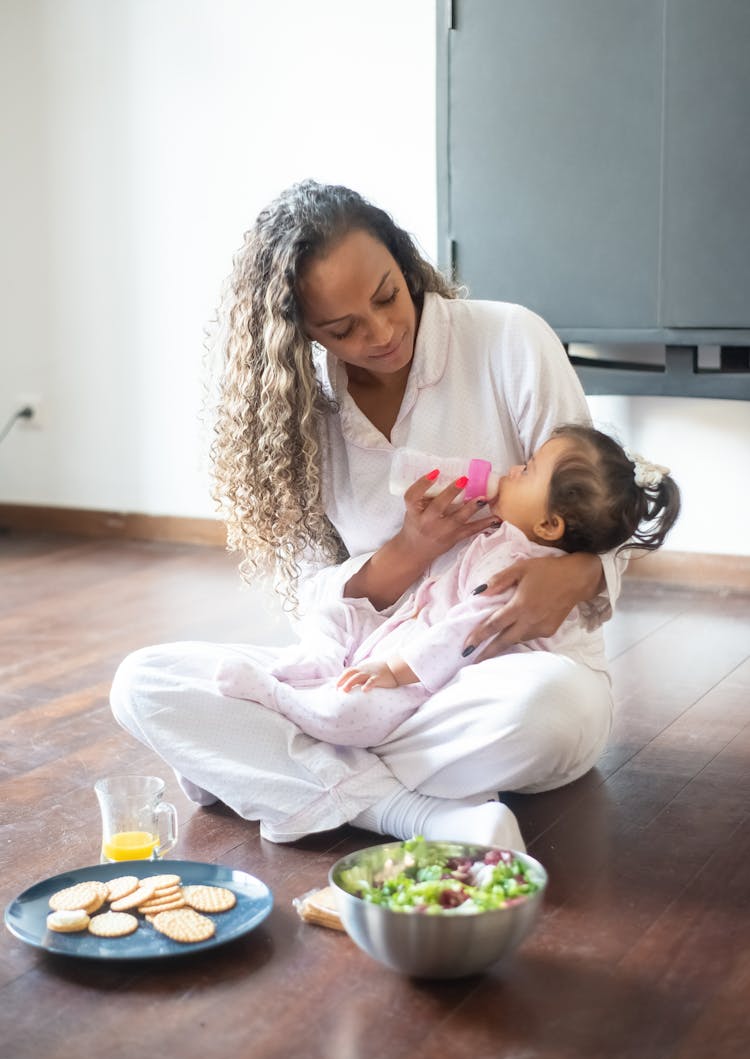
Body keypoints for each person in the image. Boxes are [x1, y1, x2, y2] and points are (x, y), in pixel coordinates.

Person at [110, 180, 633, 848]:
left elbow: (598, 503)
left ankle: (280, 766)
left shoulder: (510, 341)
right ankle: (415, 814)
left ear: (404, 262)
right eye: (342, 328)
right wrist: (407, 554)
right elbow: (314, 605)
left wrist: (581, 573)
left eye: (387, 296)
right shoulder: (302, 414)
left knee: (549, 711)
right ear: (301, 329)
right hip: (360, 679)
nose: (381, 332)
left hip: (495, 683)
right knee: (143, 685)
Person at [215, 424, 680, 750]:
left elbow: (463, 634)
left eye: (529, 470)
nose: (513, 468)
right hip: (404, 635)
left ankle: (280, 702)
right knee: (338, 610)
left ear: (549, 524)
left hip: (429, 674)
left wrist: (397, 670)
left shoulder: (518, 572)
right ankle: (309, 668)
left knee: (352, 716)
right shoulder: (506, 534)